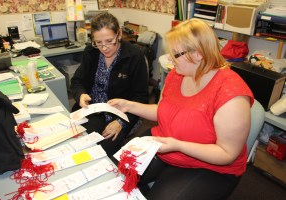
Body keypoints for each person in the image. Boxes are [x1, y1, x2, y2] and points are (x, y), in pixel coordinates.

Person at [108, 18, 254, 199]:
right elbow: (162, 111)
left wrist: (179, 145)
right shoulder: (177, 75)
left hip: (210, 166)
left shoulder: (231, 94)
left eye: (175, 54)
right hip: (167, 145)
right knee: (111, 173)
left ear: (198, 54)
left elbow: (227, 154)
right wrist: (129, 105)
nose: (170, 58)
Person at [70, 12, 149, 157]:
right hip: (94, 109)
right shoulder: (91, 52)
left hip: (122, 113)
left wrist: (121, 122)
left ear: (119, 34)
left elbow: (141, 98)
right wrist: (81, 95)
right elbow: (77, 81)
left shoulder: (134, 56)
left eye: (109, 41)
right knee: (79, 144)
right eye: (98, 42)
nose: (104, 48)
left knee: (103, 153)